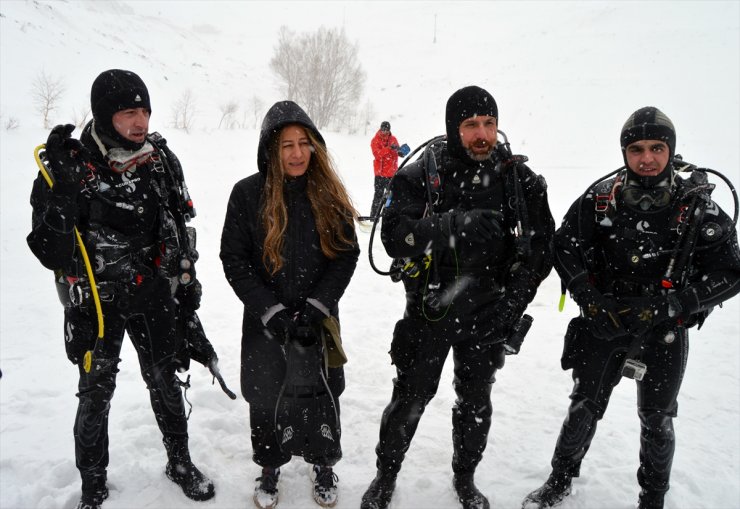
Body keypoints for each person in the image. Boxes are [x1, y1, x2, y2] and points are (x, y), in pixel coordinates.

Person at [522, 107, 740, 509]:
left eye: (657, 148)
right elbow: (564, 246)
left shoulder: (696, 209)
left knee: (657, 419)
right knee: (584, 406)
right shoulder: (601, 200)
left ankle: (652, 498)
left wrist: (678, 303)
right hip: (606, 320)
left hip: (666, 328)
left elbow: (731, 272)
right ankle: (559, 479)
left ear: (670, 150)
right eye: (637, 148)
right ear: (624, 152)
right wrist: (588, 297)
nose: (647, 158)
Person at [26, 69, 218, 509]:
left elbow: (180, 227)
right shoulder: (69, 167)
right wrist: (63, 192)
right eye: (129, 112)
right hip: (96, 300)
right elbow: (49, 251)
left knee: (166, 381)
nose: (140, 121)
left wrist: (186, 291)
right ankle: (93, 485)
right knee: (95, 395)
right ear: (103, 114)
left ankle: (180, 462)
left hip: (151, 292)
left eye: (145, 110)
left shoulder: (160, 160)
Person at [360, 85, 555, 509]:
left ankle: (465, 477)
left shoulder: (518, 181)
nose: (481, 133)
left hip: (489, 314)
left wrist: (511, 307)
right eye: (470, 125)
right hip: (430, 309)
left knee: (475, 403)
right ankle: (385, 475)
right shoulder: (421, 175)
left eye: (488, 123)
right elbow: (393, 237)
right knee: (410, 397)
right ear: (454, 128)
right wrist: (451, 224)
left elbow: (542, 250)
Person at [220, 100, 360, 509]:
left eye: (304, 143)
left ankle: (322, 462)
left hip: (320, 320)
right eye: (286, 146)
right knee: (265, 397)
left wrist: (320, 305)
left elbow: (346, 255)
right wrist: (271, 311)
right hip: (266, 322)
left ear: (315, 146)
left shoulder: (328, 193)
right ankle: (270, 464)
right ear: (270, 150)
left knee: (324, 392)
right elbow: (235, 260)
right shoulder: (247, 194)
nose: (297, 153)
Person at [370, 120, 402, 216]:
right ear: (380, 129)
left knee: (391, 197)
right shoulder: (375, 140)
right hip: (379, 174)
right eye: (383, 130)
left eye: (387, 130)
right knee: (378, 196)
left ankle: (388, 216)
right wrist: (389, 148)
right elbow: (377, 154)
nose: (385, 132)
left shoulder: (393, 139)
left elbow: (398, 152)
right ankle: (373, 217)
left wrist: (400, 151)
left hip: (391, 174)